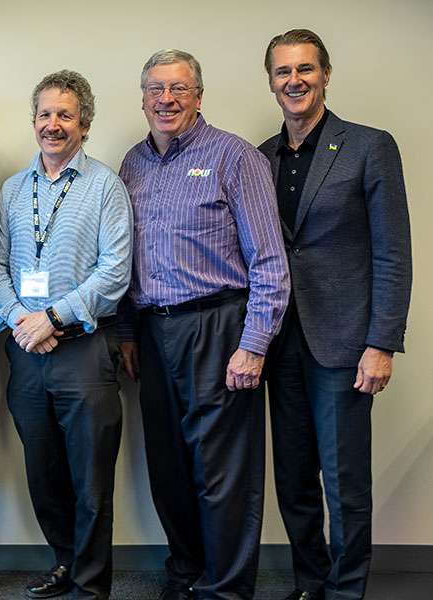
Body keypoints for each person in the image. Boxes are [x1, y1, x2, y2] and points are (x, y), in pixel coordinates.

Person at [117, 49, 290, 600]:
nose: (166, 100)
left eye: (179, 89)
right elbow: (125, 257)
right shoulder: (132, 164)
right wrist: (127, 332)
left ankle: (225, 588)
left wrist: (254, 344)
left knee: (223, 472)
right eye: (156, 89)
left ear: (198, 96)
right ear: (143, 98)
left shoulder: (235, 157)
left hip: (218, 327)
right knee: (168, 466)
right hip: (153, 331)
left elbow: (269, 262)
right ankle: (186, 572)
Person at [258, 29, 412, 600]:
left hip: (345, 343)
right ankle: (310, 583)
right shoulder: (261, 157)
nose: (294, 80)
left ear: (325, 74)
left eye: (305, 69)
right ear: (271, 82)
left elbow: (393, 251)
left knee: (344, 481)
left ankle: (347, 591)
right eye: (283, 71)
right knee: (294, 477)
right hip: (281, 341)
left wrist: (382, 342)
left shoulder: (370, 146)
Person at [0, 70, 133, 600]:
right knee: (43, 474)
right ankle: (66, 563)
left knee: (90, 482)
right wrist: (22, 320)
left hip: (84, 353)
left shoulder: (105, 186)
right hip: (27, 354)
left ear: (84, 124)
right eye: (45, 114)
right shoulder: (12, 189)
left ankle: (91, 587)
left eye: (65, 115)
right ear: (34, 121)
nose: (54, 124)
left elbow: (115, 272)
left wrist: (51, 319)